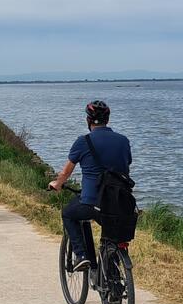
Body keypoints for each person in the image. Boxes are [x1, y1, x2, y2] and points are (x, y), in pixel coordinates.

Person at [47, 99, 131, 273]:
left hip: (92, 202)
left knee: (68, 213)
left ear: (88, 120)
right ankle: (114, 279)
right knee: (112, 237)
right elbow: (126, 164)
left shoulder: (83, 141)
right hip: (119, 203)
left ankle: (81, 255)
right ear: (108, 120)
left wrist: (57, 184)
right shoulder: (123, 141)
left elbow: (66, 173)